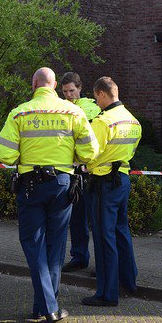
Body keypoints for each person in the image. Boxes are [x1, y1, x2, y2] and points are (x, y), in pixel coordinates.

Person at [0, 67, 98, 323]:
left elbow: (4, 154)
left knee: (33, 243)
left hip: (30, 185)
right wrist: (72, 157)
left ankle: (47, 307)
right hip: (62, 184)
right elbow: (90, 151)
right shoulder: (74, 112)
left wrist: (25, 155)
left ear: (34, 84)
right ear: (54, 85)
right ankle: (45, 307)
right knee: (55, 245)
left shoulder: (20, 113)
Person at [81, 76, 141, 307]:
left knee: (103, 237)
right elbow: (131, 151)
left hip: (103, 183)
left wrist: (81, 163)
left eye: (96, 98)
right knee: (121, 231)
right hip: (122, 179)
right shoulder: (133, 121)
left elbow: (89, 153)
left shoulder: (103, 121)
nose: (96, 103)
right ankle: (128, 281)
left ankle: (107, 293)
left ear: (102, 94)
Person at [59, 72, 101, 273]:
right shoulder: (60, 108)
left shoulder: (91, 108)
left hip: (91, 172)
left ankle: (102, 263)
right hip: (72, 172)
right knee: (76, 218)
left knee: (97, 219)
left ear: (80, 88)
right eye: (65, 91)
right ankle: (79, 257)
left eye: (72, 91)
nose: (69, 95)